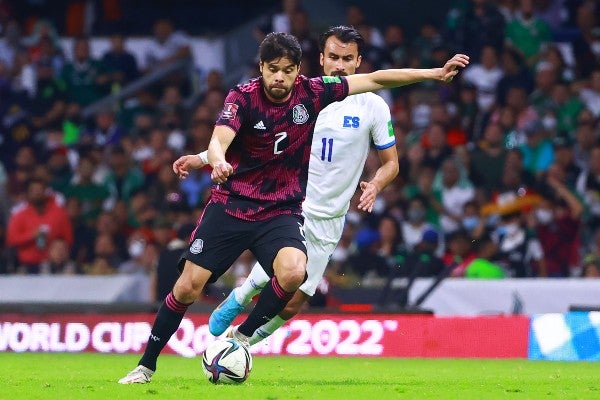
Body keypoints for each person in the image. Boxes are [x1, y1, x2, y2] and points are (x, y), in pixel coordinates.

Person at [118, 30, 468, 384]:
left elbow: (378, 80)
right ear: (263, 68)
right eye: (273, 69)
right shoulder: (243, 96)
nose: (280, 77)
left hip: (282, 210)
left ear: (298, 70)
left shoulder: (318, 95)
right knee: (187, 287)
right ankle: (146, 365)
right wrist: (210, 159)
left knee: (292, 278)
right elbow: (222, 137)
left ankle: (239, 341)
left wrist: (434, 74)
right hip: (236, 203)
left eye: (287, 70)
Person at [201, 25, 399, 344]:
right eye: (333, 57)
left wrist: (376, 184)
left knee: (294, 303)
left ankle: (240, 338)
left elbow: (392, 163)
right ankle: (240, 316)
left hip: (332, 218)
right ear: (321, 59)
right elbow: (251, 142)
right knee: (287, 270)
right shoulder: (302, 99)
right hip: (292, 205)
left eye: (347, 59)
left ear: (358, 62)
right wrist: (205, 157)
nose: (339, 65)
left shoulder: (373, 107)